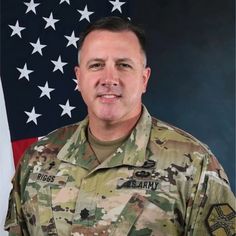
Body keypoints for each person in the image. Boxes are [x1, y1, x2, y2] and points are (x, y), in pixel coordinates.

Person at [5, 16, 235, 236]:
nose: (109, 78)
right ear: (78, 77)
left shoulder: (195, 163)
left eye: (123, 65)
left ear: (144, 79)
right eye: (96, 65)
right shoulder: (37, 159)